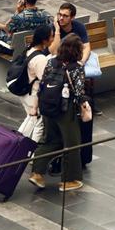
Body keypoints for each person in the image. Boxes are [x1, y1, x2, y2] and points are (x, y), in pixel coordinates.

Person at [28, 34, 89, 192]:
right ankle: (69, 180)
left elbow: (42, 83)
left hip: (47, 107)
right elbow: (79, 91)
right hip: (65, 110)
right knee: (72, 144)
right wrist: (85, 106)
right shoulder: (76, 68)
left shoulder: (51, 62)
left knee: (51, 141)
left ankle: (37, 173)